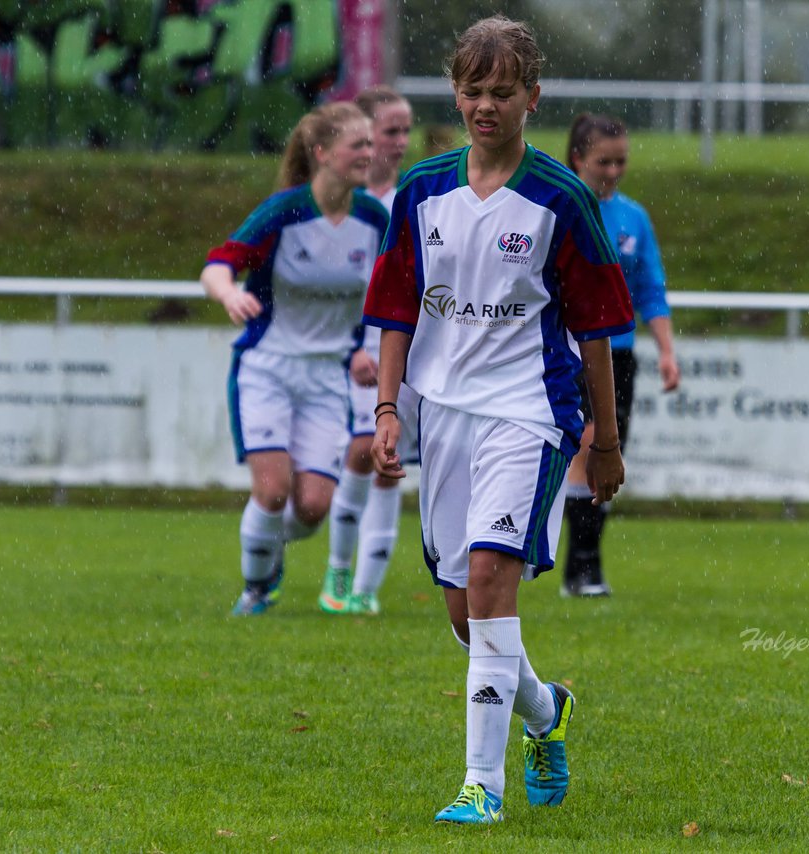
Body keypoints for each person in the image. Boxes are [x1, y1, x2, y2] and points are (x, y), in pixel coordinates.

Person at [364, 16, 634, 824]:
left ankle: (480, 785)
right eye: (473, 91)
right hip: (442, 414)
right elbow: (396, 310)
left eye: (503, 92)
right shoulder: (422, 190)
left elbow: (596, 332)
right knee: (463, 611)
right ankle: (548, 711)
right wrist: (388, 407)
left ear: (532, 97)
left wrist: (605, 441)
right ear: (456, 91)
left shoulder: (562, 198)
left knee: (490, 580)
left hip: (530, 414)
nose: (486, 106)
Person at [200, 101, 387, 616]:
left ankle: (266, 545)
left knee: (311, 508)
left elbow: (394, 291)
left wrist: (365, 351)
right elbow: (217, 265)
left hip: (329, 377)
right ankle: (258, 587)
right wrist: (229, 294)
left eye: (371, 144)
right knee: (274, 490)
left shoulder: (373, 218)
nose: (369, 154)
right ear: (323, 153)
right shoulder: (285, 211)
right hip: (267, 369)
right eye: (359, 145)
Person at [560, 114, 681, 597]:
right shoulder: (560, 208)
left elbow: (651, 288)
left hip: (620, 354)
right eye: (603, 161)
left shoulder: (634, 217)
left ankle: (581, 566)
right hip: (567, 351)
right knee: (587, 443)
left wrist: (667, 351)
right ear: (577, 159)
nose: (613, 171)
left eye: (621, 161)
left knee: (609, 454)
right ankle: (580, 564)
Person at [320, 86, 415, 616]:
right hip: (355, 358)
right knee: (362, 451)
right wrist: (353, 345)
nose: (400, 142)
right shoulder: (343, 207)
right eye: (390, 131)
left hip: (401, 358)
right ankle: (337, 568)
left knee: (388, 464)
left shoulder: (414, 200)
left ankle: (367, 587)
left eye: (406, 131)